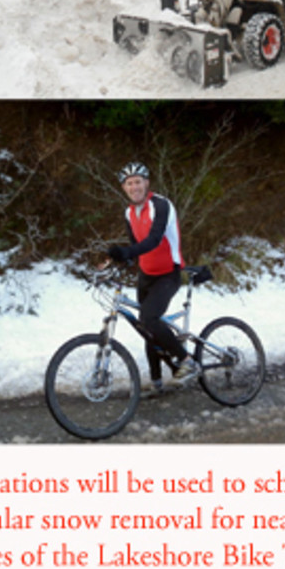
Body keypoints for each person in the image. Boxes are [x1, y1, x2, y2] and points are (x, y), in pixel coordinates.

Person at [105, 161, 199, 395]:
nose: (134, 186)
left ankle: (187, 360)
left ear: (146, 183)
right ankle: (156, 382)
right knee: (146, 329)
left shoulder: (161, 205)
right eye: (129, 183)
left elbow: (154, 240)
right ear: (124, 188)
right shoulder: (129, 212)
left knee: (149, 318)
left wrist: (128, 252)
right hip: (146, 275)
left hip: (169, 273)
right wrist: (118, 261)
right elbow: (136, 246)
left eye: (138, 182)